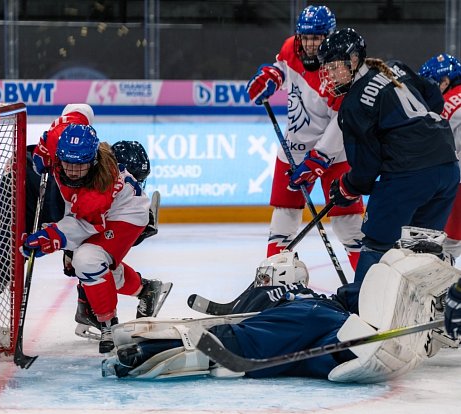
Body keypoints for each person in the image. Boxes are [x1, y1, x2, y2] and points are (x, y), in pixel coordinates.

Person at [102, 234, 458, 382]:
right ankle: (356, 349)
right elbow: (359, 292)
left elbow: (229, 315)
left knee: (241, 343)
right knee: (319, 358)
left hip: (297, 323)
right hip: (332, 323)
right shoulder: (310, 293)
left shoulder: (273, 294)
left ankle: (146, 351)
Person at [316, 28, 460, 314]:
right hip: (447, 168)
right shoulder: (392, 66)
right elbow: (434, 97)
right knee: (422, 245)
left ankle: (362, 314)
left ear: (354, 59)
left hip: (409, 174)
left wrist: (346, 186)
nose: (330, 74)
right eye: (327, 68)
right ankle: (430, 308)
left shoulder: (354, 104)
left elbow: (366, 170)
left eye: (335, 66)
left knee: (376, 243)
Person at [24, 123, 171, 354]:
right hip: (96, 213)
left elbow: (83, 224)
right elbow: (78, 110)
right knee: (97, 268)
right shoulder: (63, 149)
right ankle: (146, 290)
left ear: (92, 161)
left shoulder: (97, 192)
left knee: (87, 260)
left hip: (125, 216)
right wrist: (44, 144)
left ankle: (109, 325)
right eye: (68, 163)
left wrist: (51, 238)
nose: (72, 170)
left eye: (80, 165)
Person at [246, 5, 364, 269]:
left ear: (329, 36)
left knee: (348, 224)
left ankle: (367, 280)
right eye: (306, 37)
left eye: (317, 37)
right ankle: (273, 276)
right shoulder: (291, 47)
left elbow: (343, 119)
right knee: (283, 219)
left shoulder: (341, 67)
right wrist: (272, 77)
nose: (310, 44)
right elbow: (282, 68)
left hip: (336, 155)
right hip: (295, 148)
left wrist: (320, 157)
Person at [418, 54, 461, 260]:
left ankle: (442, 290)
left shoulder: (445, 104)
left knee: (448, 245)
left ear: (445, 81)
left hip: (456, 180)